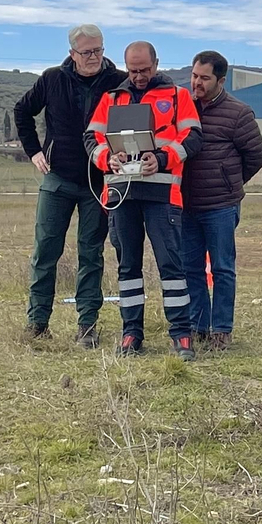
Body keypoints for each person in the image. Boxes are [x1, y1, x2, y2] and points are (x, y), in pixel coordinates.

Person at [85, 41, 203, 359]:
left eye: (145, 70)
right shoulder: (111, 98)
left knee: (171, 266)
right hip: (121, 194)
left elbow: (193, 136)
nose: (138, 76)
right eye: (133, 70)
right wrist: (106, 158)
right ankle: (131, 334)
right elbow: (90, 138)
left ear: (156, 64)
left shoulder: (178, 96)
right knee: (128, 268)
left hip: (163, 193)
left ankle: (181, 335)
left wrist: (162, 159)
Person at [12, 24, 126, 347]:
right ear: (72, 53)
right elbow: (22, 111)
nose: (94, 57)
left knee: (91, 254)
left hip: (99, 180)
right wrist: (33, 151)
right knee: (45, 250)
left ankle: (87, 327)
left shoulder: (118, 82)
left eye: (99, 50)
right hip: (58, 179)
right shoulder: (51, 79)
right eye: (87, 52)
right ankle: (37, 323)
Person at [181, 50, 262, 349]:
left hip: (220, 205)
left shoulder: (238, 113)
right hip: (186, 204)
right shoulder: (183, 108)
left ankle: (221, 329)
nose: (197, 83)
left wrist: (229, 181)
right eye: (194, 76)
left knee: (222, 268)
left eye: (204, 78)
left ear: (220, 80)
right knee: (190, 267)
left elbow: (257, 156)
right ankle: (199, 325)